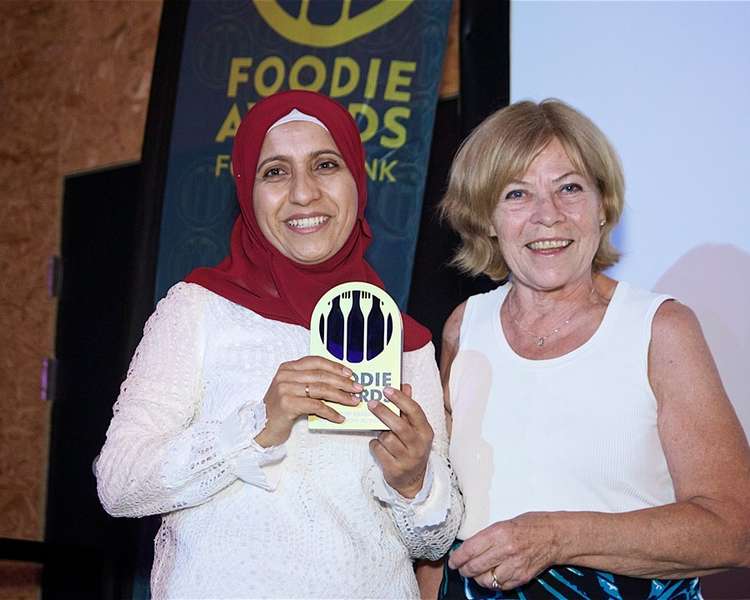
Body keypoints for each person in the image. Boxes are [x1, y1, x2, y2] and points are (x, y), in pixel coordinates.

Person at [95, 90, 462, 599]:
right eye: (275, 172)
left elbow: (435, 539)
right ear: (248, 190)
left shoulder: (404, 340)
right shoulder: (200, 308)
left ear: (356, 179)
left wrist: (413, 480)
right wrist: (255, 429)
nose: (304, 193)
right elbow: (119, 483)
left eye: (325, 164)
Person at [436, 99, 750, 599]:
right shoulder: (463, 329)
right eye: (517, 194)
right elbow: (440, 526)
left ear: (603, 207)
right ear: (487, 219)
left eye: (569, 188)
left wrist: (556, 537)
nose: (548, 216)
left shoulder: (660, 329)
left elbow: (734, 529)